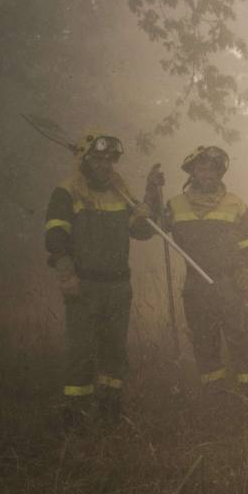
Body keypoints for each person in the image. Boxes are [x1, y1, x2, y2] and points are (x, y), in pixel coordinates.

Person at [43, 132, 155, 429]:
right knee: (81, 351)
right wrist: (66, 273)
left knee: (114, 351)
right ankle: (76, 419)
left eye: (110, 159)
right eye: (98, 158)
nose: (105, 165)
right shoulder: (67, 191)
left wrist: (147, 206)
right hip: (84, 286)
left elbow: (143, 233)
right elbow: (55, 236)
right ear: (84, 159)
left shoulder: (122, 192)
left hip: (119, 286)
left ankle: (109, 414)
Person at [148, 145, 248, 406]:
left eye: (214, 169)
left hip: (233, 284)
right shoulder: (175, 205)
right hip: (197, 287)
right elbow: (149, 227)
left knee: (245, 342)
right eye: (202, 167)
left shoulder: (236, 203)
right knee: (205, 344)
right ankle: (217, 403)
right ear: (192, 171)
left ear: (221, 173)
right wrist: (152, 192)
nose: (209, 173)